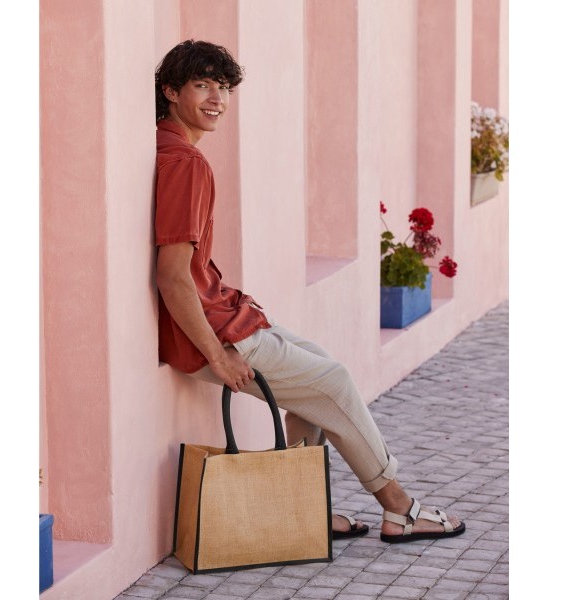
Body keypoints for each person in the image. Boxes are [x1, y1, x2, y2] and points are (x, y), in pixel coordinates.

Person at [154, 39, 465, 544]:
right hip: (215, 331)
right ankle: (399, 509)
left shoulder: (168, 149)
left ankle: (305, 511)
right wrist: (218, 356)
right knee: (333, 382)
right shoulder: (185, 162)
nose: (217, 99)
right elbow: (172, 274)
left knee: (318, 369)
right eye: (202, 85)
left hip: (225, 314)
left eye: (224, 87)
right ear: (170, 91)